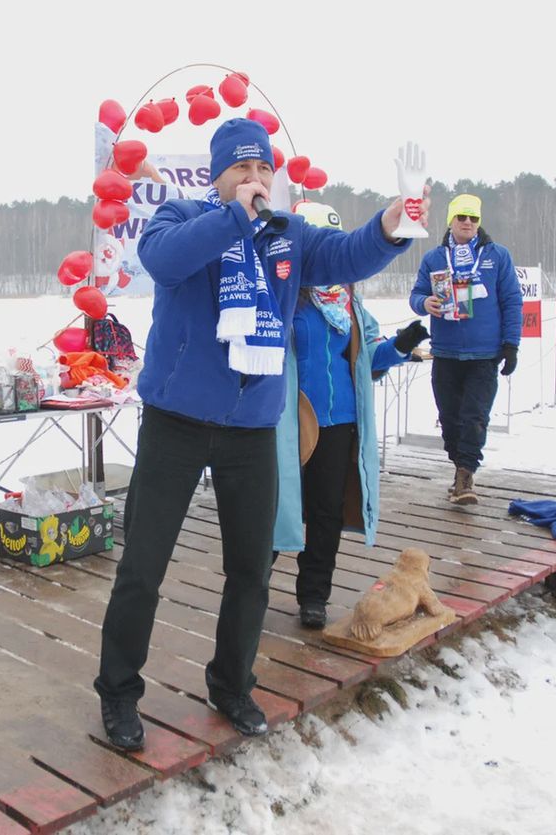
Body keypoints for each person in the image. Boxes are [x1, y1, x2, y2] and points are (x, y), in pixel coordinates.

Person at [95, 119, 430, 750]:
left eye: (263, 171)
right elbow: (163, 260)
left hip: (251, 429)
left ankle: (231, 684)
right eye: (242, 169)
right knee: (142, 567)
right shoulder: (181, 218)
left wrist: (392, 224)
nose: (255, 180)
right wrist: (234, 219)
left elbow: (348, 255)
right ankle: (118, 692)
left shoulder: (288, 235)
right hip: (175, 423)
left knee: (251, 569)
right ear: (218, 174)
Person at [273, 201, 429, 630]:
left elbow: (366, 360)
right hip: (287, 421)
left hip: (339, 419)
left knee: (326, 512)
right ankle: (252, 586)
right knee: (275, 504)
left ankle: (313, 595)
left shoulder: (348, 303)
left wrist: (399, 346)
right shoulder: (282, 297)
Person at [408, 194, 522, 505]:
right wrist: (424, 303)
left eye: (474, 218)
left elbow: (512, 301)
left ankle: (465, 476)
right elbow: (416, 295)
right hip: (445, 352)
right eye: (462, 217)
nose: (468, 223)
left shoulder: (497, 256)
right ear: (451, 221)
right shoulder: (434, 258)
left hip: (484, 353)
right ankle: (459, 467)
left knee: (475, 417)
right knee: (449, 419)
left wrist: (511, 344)